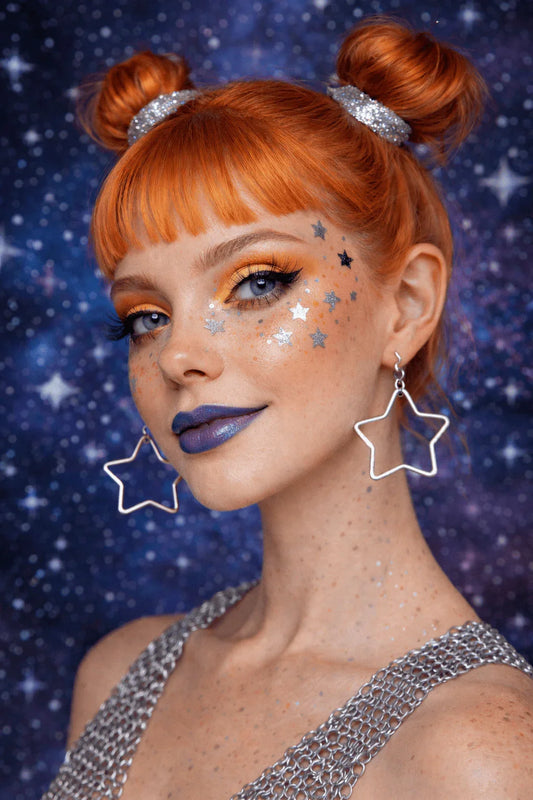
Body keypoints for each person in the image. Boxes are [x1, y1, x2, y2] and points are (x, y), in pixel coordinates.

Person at [43, 16, 533, 800]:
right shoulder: (116, 674)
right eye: (146, 317)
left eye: (257, 282)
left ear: (407, 304)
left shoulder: (477, 751)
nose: (177, 355)